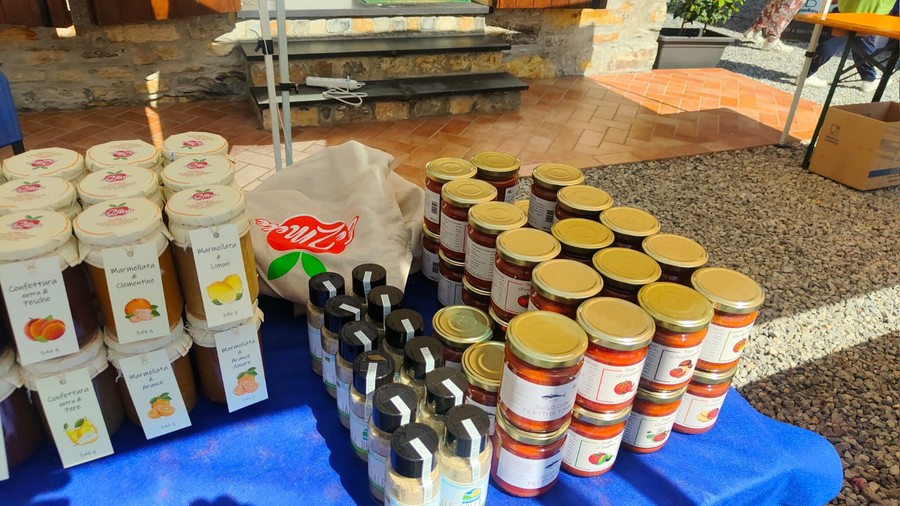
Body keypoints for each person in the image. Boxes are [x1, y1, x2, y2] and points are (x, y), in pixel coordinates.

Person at [805, 0, 897, 92]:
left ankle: (869, 77)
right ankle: (807, 73)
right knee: (838, 40)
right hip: (872, 10)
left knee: (856, 41)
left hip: (851, 7)